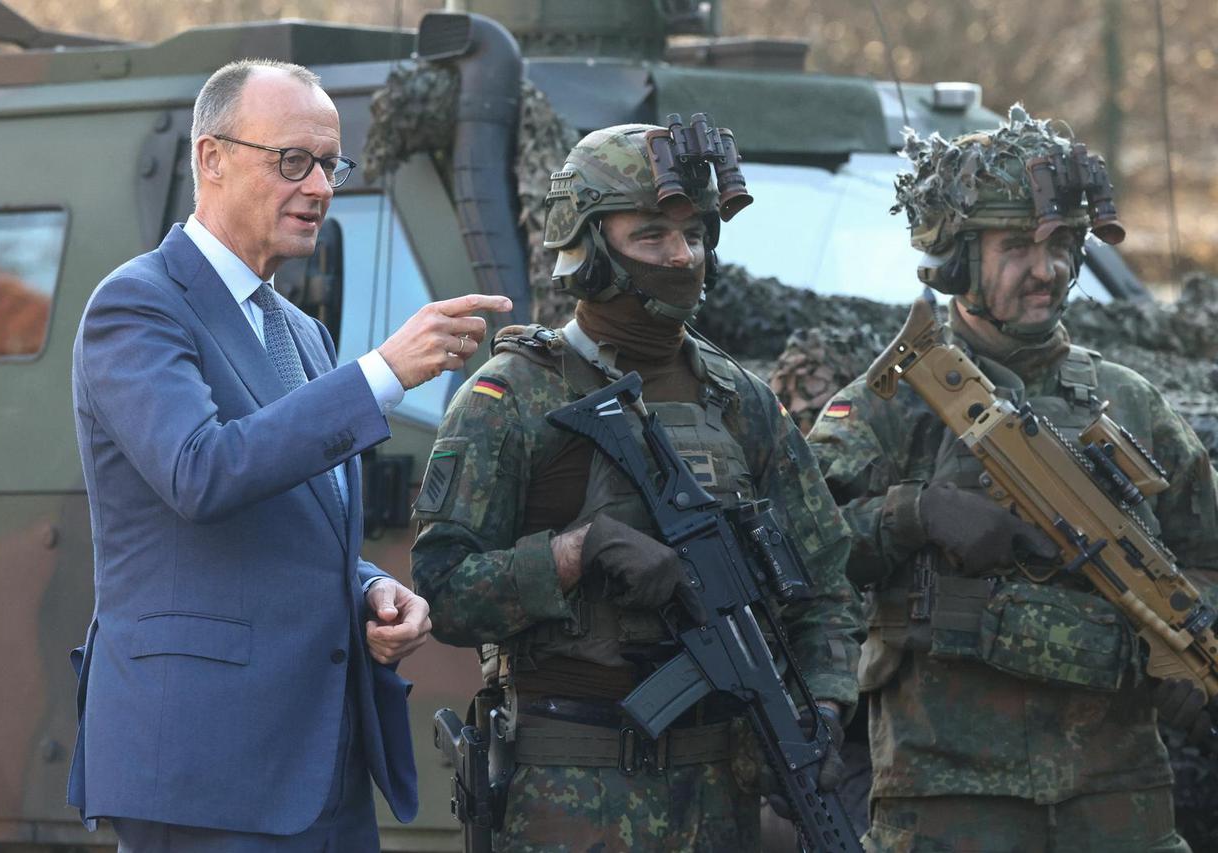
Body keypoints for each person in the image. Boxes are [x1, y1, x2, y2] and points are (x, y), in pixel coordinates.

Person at [66, 59, 511, 851]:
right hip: (205, 770)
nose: (320, 187)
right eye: (292, 162)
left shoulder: (299, 332)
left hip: (317, 764)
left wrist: (372, 587)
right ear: (211, 158)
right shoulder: (136, 305)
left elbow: (299, 520)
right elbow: (200, 471)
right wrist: (379, 374)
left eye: (330, 164)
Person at [410, 119, 864, 851]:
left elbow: (830, 585)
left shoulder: (741, 401)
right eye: (652, 235)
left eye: (696, 234)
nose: (682, 256)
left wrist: (825, 708)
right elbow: (441, 588)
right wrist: (574, 552)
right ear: (589, 248)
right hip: (568, 798)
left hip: (720, 798)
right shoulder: (516, 396)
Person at [808, 106, 1218, 852]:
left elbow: (1206, 549)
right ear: (958, 257)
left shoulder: (1130, 402)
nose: (1049, 269)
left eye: (1063, 244)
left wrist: (1189, 653)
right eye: (1016, 246)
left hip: (1117, 792)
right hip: (949, 790)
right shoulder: (891, 401)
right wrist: (916, 512)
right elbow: (803, 550)